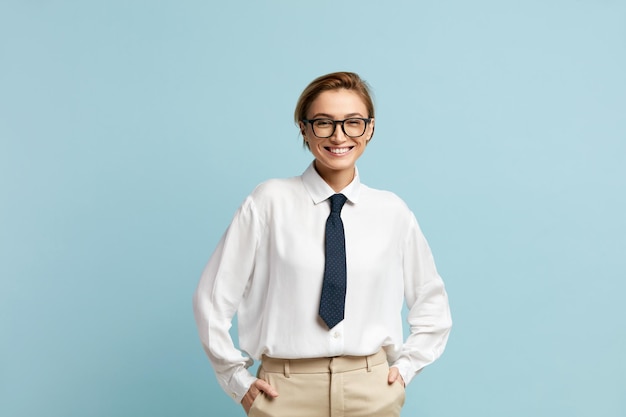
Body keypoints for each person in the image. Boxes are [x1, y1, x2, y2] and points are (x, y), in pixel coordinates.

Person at [193, 71, 452, 417]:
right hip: (284, 392)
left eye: (353, 122)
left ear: (370, 129)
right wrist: (236, 381)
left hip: (371, 389)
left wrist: (403, 371)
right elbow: (211, 299)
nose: (339, 135)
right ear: (304, 128)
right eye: (324, 123)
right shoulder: (269, 201)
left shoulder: (392, 212)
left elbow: (432, 305)